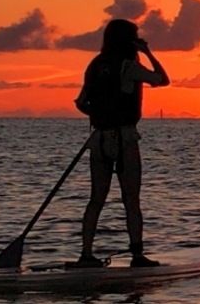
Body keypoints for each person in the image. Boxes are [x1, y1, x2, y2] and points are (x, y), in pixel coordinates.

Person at [71, 19, 170, 268]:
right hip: (124, 138)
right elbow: (162, 79)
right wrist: (147, 52)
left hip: (99, 139)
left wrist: (101, 116)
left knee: (96, 199)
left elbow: (81, 103)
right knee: (131, 199)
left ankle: (86, 254)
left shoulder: (95, 65)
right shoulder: (129, 66)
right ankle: (137, 255)